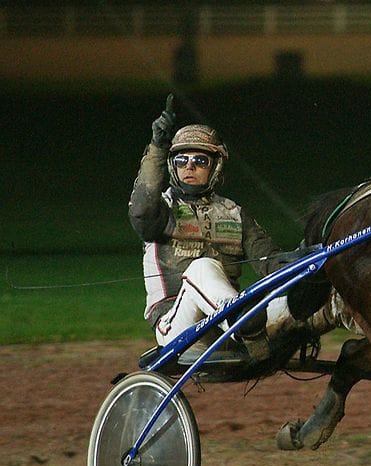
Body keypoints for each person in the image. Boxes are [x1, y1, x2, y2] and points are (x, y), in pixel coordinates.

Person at [129, 94, 321, 364]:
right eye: (181, 161)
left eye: (200, 161)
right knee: (203, 267)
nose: (190, 167)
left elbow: (270, 263)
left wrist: (307, 261)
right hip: (177, 327)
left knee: (321, 298)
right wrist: (158, 147)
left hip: (228, 331)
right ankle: (245, 321)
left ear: (216, 166)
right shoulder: (161, 209)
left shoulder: (234, 213)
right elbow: (140, 212)